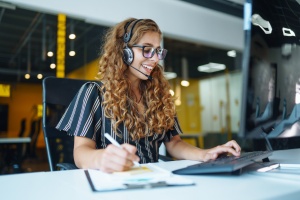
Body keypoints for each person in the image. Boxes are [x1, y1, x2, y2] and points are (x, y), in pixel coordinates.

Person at [56, 18, 241, 173]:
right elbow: (80, 152)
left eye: (157, 50)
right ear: (124, 51)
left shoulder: (159, 94)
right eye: (146, 49)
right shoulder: (93, 93)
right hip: (113, 181)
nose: (154, 58)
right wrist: (101, 158)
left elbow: (174, 144)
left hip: (153, 178)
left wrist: (206, 154)